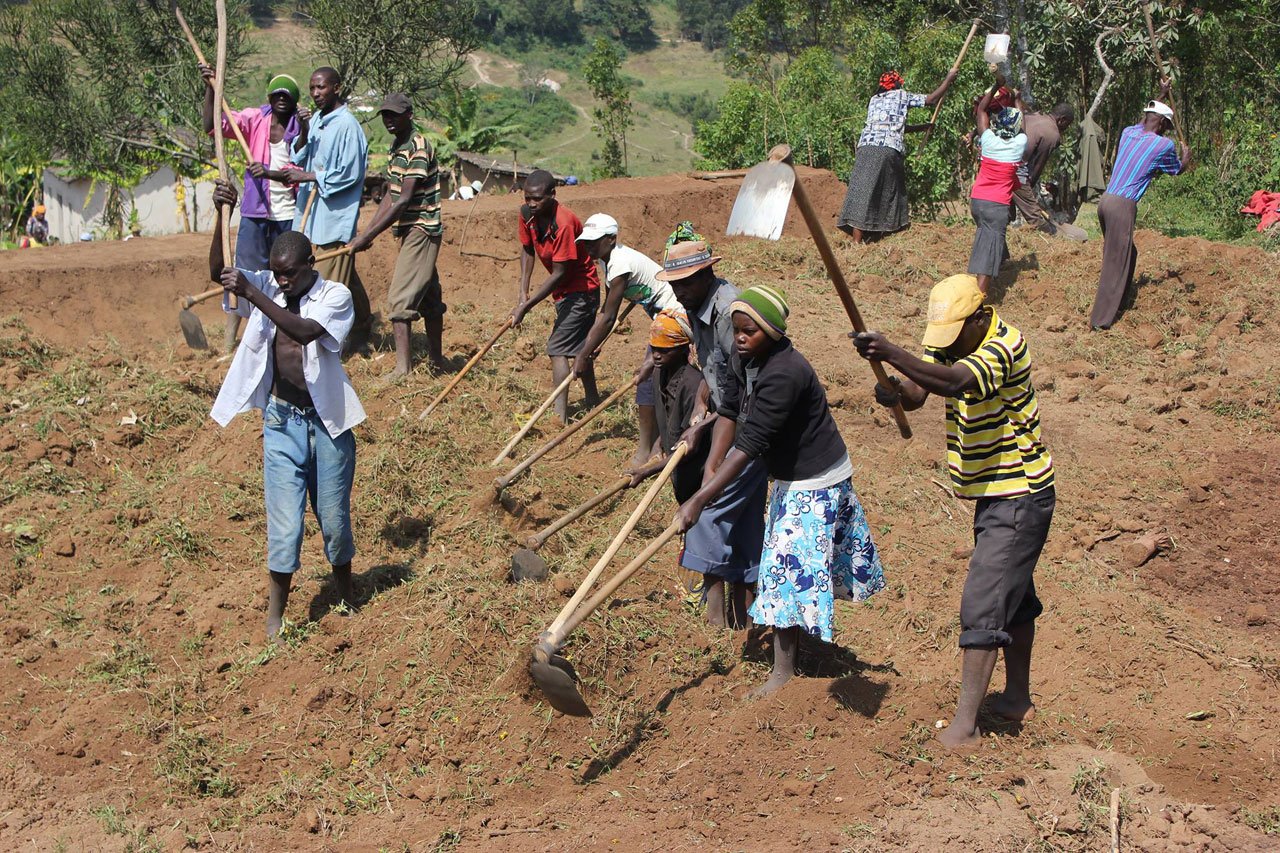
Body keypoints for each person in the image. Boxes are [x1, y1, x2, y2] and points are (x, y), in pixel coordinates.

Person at [852, 274, 1054, 749]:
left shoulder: (1004, 345)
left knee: (984, 602)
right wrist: (896, 391)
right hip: (994, 490)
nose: (947, 346)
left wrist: (890, 353)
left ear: (980, 317)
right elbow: (923, 390)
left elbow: (955, 381)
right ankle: (1016, 697)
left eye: (955, 336)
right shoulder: (958, 336)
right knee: (1015, 596)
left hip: (1019, 492)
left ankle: (964, 728)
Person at [676, 285, 886, 698]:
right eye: (736, 330)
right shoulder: (745, 358)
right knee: (791, 564)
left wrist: (699, 500)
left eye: (749, 331)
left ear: (772, 331)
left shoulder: (786, 373)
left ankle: (784, 671)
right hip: (790, 476)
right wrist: (711, 469)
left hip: (817, 477)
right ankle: (806, 645)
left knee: (786, 569)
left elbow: (751, 442)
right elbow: (731, 412)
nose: (739, 338)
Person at [207, 179, 365, 641]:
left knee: (333, 520)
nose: (281, 282)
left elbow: (304, 332)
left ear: (309, 265)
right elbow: (221, 270)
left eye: (289, 274)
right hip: (280, 421)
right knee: (283, 524)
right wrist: (221, 216)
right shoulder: (269, 286)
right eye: (275, 274)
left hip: (329, 424)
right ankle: (275, 619)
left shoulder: (335, 296)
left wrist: (256, 295)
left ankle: (345, 592)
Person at [656, 225, 768, 628]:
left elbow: (743, 394)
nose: (679, 293)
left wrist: (714, 453)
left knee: (708, 509)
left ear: (705, 276)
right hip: (726, 417)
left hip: (751, 426)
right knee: (738, 520)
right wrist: (702, 409)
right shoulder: (694, 306)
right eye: (674, 285)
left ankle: (718, 621)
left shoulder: (728, 313)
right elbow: (714, 372)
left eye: (684, 284)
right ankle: (740, 618)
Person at [200, 64, 303, 353]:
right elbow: (212, 125)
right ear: (269, 99)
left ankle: (277, 337)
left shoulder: (300, 127)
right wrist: (211, 87)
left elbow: (306, 164)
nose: (281, 100)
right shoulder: (253, 119)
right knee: (241, 272)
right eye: (277, 95)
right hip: (256, 212)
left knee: (283, 277)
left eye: (287, 96)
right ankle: (229, 342)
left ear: (294, 101)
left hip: (288, 215)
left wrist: (270, 172)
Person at [346, 93, 446, 378]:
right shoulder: (396, 147)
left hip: (422, 228)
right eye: (385, 115)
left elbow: (403, 200)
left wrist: (368, 237)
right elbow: (390, 197)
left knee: (400, 300)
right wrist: (367, 234)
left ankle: (404, 369)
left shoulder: (418, 146)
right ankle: (437, 362)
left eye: (394, 114)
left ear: (409, 115)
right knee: (429, 298)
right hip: (408, 229)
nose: (388, 120)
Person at [573, 213, 684, 469]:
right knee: (659, 377)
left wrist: (582, 355)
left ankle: (648, 449)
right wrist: (593, 343)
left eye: (593, 241)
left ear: (611, 239)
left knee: (646, 378)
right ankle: (659, 442)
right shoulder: (607, 260)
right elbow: (605, 311)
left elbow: (609, 317)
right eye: (586, 242)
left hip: (674, 313)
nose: (587, 246)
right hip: (661, 315)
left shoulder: (620, 262)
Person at [1089, 80, 1190, 330]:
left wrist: (1161, 95)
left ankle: (1121, 299)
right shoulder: (1164, 145)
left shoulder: (1128, 132)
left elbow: (1149, 116)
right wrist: (1185, 158)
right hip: (1123, 206)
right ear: (1165, 124)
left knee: (1127, 253)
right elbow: (1176, 170)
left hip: (1105, 202)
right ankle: (1101, 321)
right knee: (1115, 262)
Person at [288, 66, 372, 352]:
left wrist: (311, 177)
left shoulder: (347, 125)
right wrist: (302, 129)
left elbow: (350, 174)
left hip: (334, 219)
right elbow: (298, 157)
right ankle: (363, 328)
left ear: (336, 87)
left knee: (327, 284)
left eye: (321, 87)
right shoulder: (317, 122)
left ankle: (327, 346)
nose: (315, 93)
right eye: (312, 88)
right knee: (340, 272)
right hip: (311, 216)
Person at [511, 169, 601, 423]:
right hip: (564, 292)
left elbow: (560, 272)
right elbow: (528, 250)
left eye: (537, 199)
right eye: (527, 198)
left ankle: (559, 416)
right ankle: (593, 402)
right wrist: (522, 292)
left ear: (552, 195)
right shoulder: (526, 214)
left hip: (582, 290)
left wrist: (527, 306)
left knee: (557, 348)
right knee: (581, 346)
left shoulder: (564, 223)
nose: (531, 203)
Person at [837, 68, 958, 243]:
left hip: (865, 148)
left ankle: (860, 238)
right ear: (895, 85)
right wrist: (948, 79)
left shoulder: (874, 100)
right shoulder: (901, 95)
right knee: (892, 190)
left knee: (864, 190)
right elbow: (931, 100)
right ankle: (888, 232)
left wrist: (922, 127)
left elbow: (892, 125)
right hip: (887, 150)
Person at [627, 310, 710, 503]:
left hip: (697, 470)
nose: (656, 356)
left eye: (664, 350)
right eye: (654, 348)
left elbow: (688, 449)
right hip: (677, 470)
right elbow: (666, 420)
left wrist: (647, 471)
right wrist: (659, 444)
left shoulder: (693, 386)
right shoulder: (659, 374)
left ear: (684, 349)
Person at [969, 77, 1027, 295]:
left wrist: (995, 86)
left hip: (977, 202)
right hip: (996, 206)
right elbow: (1023, 122)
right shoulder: (1018, 144)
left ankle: (1002, 261)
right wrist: (1018, 99)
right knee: (989, 247)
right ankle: (979, 297)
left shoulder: (988, 139)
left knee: (987, 235)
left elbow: (981, 111)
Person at [1012, 103, 1074, 234]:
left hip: (999, 164)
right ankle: (1053, 240)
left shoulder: (1033, 116)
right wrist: (1029, 191)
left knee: (1004, 210)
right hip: (1016, 172)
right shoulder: (1053, 134)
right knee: (1035, 217)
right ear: (1061, 120)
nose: (1066, 129)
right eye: (1067, 125)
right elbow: (1038, 166)